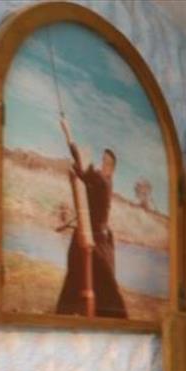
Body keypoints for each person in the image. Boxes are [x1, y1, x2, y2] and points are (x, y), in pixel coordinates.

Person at [55, 117, 128, 318]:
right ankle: (71, 310)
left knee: (102, 283)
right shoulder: (101, 181)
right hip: (94, 235)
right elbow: (83, 173)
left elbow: (82, 165)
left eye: (106, 162)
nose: (102, 164)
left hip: (97, 241)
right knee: (78, 270)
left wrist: (67, 132)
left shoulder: (104, 182)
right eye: (102, 160)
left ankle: (88, 312)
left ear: (112, 168)